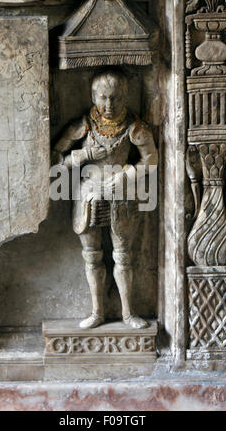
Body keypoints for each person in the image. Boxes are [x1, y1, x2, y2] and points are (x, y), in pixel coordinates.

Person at [52, 69, 158, 329]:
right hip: (89, 195)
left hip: (121, 195)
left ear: (125, 97)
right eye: (103, 98)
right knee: (91, 255)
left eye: (115, 98)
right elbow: (54, 159)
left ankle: (127, 313)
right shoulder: (83, 126)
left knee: (123, 256)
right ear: (92, 96)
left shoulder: (135, 127)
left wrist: (129, 174)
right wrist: (82, 155)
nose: (109, 105)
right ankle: (97, 312)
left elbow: (152, 160)